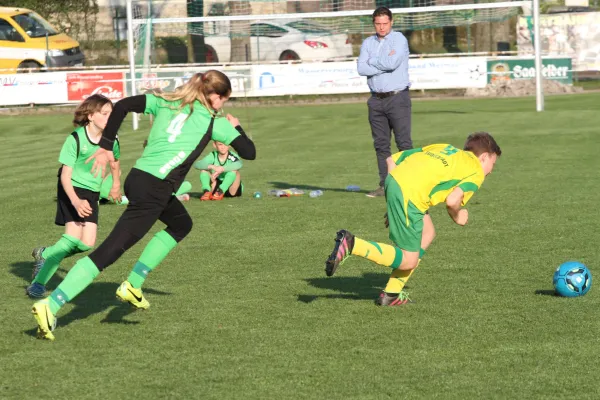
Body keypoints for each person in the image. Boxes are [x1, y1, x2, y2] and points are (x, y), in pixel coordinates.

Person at [31, 70, 256, 340]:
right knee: (108, 252)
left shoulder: (168, 102)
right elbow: (250, 153)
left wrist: (105, 144)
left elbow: (124, 105)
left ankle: (134, 284)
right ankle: (51, 304)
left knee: (181, 223)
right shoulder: (215, 122)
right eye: (224, 100)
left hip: (137, 180)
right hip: (155, 190)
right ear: (216, 97)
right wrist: (237, 126)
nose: (222, 106)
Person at [324, 132, 501, 306]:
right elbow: (453, 201)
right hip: (411, 195)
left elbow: (391, 160)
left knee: (428, 233)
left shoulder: (445, 148)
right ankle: (351, 244)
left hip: (395, 182)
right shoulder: (476, 171)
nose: (491, 171)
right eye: (493, 164)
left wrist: (394, 199)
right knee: (409, 260)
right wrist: (458, 216)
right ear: (484, 157)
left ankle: (391, 294)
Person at [27, 94, 122, 298]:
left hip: (92, 192)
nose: (110, 118)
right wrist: (76, 201)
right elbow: (65, 175)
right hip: (71, 189)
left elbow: (115, 161)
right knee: (71, 240)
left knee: (87, 243)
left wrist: (115, 184)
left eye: (111, 114)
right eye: (105, 114)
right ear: (90, 115)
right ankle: (38, 283)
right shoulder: (76, 138)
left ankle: (45, 254)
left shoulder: (112, 139)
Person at [357, 6, 412, 198]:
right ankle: (385, 185)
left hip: (398, 97)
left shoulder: (399, 39)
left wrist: (372, 61)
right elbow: (361, 69)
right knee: (381, 145)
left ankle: (410, 184)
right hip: (375, 100)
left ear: (391, 22)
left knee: (403, 143)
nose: (381, 27)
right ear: (373, 23)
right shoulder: (367, 43)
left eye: (385, 23)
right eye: (378, 24)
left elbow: (392, 64)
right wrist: (378, 62)